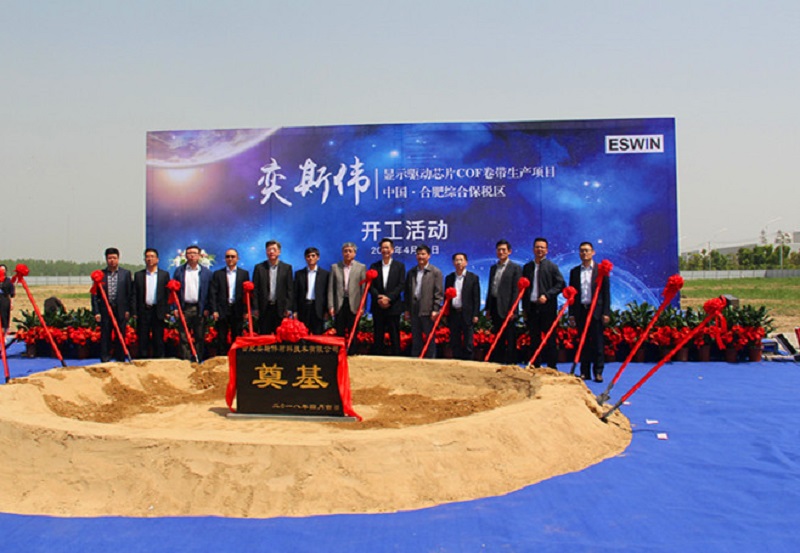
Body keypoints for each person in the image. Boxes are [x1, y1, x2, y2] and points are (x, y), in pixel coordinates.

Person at [568, 241, 611, 382]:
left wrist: (606, 312)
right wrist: (571, 314)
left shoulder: (601, 270)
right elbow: (572, 294)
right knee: (583, 343)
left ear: (593, 252)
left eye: (587, 250)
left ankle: (598, 372)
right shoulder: (574, 272)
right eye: (582, 250)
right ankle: (584, 372)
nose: (584, 253)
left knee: (598, 344)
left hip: (596, 312)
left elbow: (606, 293)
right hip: (581, 311)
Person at [522, 238, 565, 369]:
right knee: (534, 339)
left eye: (542, 247)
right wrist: (524, 308)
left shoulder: (552, 267)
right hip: (532, 308)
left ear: (546, 250)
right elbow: (523, 290)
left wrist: (547, 295)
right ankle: (535, 365)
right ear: (533, 249)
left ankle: (552, 366)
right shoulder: (527, 267)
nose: (539, 249)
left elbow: (561, 284)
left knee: (550, 339)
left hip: (547, 308)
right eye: (537, 247)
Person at [91, 247, 133, 362]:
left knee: (120, 334)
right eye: (109, 258)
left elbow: (130, 293)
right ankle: (105, 358)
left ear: (118, 259)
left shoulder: (125, 274)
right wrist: (96, 312)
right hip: (105, 310)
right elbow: (94, 295)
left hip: (120, 310)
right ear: (106, 259)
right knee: (105, 335)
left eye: (114, 258)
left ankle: (120, 358)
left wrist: (128, 310)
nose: (112, 260)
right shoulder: (100, 275)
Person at [172, 244, 212, 360]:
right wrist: (175, 307)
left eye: (194, 253)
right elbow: (174, 291)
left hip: (200, 308)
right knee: (183, 336)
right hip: (184, 308)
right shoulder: (179, 271)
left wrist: (207, 308)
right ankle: (186, 360)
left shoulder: (206, 273)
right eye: (189, 253)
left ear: (199, 255)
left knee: (199, 336)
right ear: (186, 256)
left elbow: (210, 292)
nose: (192, 255)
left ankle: (198, 359)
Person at [485, 239, 523, 364]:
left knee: (510, 337)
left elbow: (516, 291)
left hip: (508, 308)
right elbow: (491, 288)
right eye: (499, 250)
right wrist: (488, 308)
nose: (501, 252)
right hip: (495, 306)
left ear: (509, 252)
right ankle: (499, 362)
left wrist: (513, 309)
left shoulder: (515, 268)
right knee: (498, 337)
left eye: (503, 250)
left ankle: (511, 363)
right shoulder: (493, 268)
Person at [405, 244, 443, 358]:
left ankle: (431, 360)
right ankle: (416, 360)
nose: (420, 256)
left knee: (429, 337)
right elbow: (407, 292)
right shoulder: (411, 272)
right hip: (414, 308)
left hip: (428, 309)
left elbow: (438, 292)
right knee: (416, 337)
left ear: (428, 256)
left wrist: (435, 309)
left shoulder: (435, 272)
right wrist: (407, 309)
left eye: (423, 254)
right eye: (418, 254)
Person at [368, 238, 405, 355]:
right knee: (378, 336)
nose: (385, 250)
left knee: (394, 336)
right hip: (378, 306)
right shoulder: (374, 266)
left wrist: (389, 298)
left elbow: (401, 285)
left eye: (387, 248)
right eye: (383, 248)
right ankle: (378, 359)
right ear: (380, 250)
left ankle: (396, 358)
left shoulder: (399, 266)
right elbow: (370, 286)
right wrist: (379, 298)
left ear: (392, 250)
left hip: (393, 306)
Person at [328, 242, 366, 351]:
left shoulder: (361, 267)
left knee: (353, 330)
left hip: (354, 304)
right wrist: (331, 306)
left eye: (350, 251)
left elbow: (363, 289)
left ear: (355, 253)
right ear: (342, 253)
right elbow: (331, 288)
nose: (347, 253)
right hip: (339, 303)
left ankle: (352, 353)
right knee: (339, 330)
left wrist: (362, 307)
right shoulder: (335, 267)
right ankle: (340, 353)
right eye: (345, 251)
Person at [210, 248, 250, 351]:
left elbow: (247, 294)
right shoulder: (218, 274)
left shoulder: (244, 274)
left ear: (237, 258)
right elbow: (213, 293)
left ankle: (236, 357)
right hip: (222, 309)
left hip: (237, 309)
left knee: (237, 335)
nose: (230, 259)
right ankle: (222, 357)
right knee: (221, 336)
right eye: (228, 256)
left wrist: (246, 311)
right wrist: (214, 310)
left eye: (233, 256)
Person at [133, 248, 170, 358]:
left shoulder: (164, 275)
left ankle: (159, 359)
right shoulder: (139, 275)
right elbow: (134, 294)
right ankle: (143, 359)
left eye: (152, 256)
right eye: (147, 257)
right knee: (142, 337)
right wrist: (134, 311)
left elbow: (167, 294)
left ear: (157, 259)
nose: (149, 259)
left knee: (158, 337)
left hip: (158, 311)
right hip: (143, 310)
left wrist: (167, 311)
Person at [444, 252, 481, 360]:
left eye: (461, 260)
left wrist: (475, 314)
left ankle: (469, 363)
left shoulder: (473, 278)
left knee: (468, 341)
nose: (459, 262)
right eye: (456, 260)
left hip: (467, 313)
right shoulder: (449, 278)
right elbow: (446, 297)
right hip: (454, 313)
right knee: (455, 340)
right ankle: (456, 362)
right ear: (453, 263)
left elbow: (476, 298)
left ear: (466, 262)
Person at [252, 240, 293, 335]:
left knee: (280, 337)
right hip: (264, 308)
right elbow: (255, 289)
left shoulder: (287, 268)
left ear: (279, 252)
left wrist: (288, 308)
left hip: (280, 309)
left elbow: (290, 289)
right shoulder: (259, 268)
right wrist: (256, 308)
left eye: (274, 249)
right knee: (264, 336)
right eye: (269, 249)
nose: (271, 252)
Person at [293, 247, 329, 335]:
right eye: (308, 256)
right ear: (305, 258)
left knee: (317, 336)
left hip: (318, 309)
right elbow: (295, 294)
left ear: (318, 257)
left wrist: (326, 311)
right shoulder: (299, 274)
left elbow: (327, 293)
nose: (310, 258)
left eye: (313, 256)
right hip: (303, 308)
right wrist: (295, 311)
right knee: (302, 335)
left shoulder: (325, 274)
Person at [0, 264, 15, 336]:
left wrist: (12, 303)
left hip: (5, 300)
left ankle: (5, 333)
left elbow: (12, 294)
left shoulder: (9, 281)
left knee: (4, 317)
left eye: (3, 270)